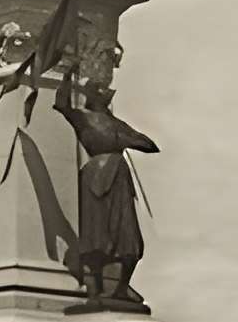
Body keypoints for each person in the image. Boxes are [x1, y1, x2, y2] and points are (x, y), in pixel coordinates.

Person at [52, 52, 159, 306]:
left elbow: (149, 145)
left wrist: (126, 138)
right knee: (97, 235)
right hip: (99, 176)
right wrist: (67, 74)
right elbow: (61, 104)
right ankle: (100, 288)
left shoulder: (113, 124)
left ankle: (117, 288)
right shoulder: (84, 118)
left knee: (125, 237)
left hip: (115, 176)